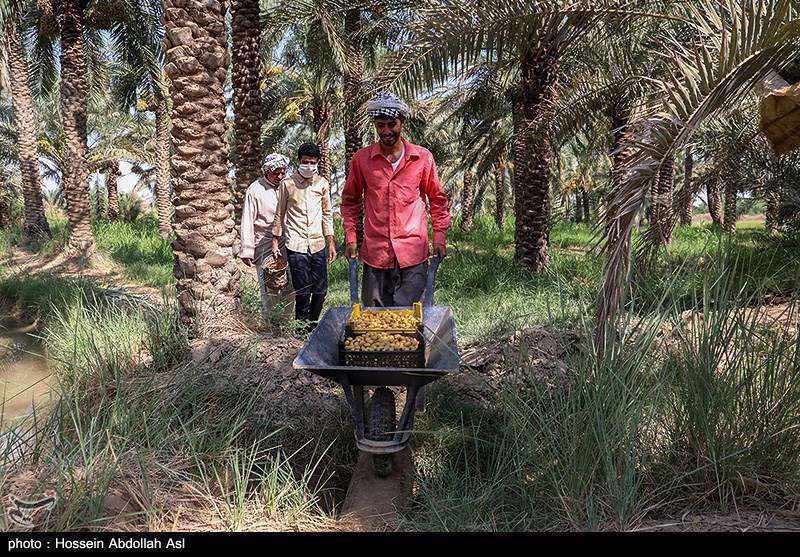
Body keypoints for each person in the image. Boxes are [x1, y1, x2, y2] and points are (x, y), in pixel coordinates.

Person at [340, 92, 451, 307]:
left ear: (403, 122)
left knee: (411, 318)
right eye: (380, 125)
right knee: (374, 317)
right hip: (376, 252)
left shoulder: (422, 158)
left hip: (413, 252)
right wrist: (351, 237)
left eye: (392, 124)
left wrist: (439, 236)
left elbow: (437, 199)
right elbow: (350, 201)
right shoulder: (361, 160)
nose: (386, 131)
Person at [272, 142, 336, 327]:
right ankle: (301, 330)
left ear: (317, 163)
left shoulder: (322, 184)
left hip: (317, 243)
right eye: (306, 162)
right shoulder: (287, 184)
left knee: (321, 289)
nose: (309, 166)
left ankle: (312, 324)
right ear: (299, 161)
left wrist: (330, 241)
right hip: (295, 243)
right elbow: (279, 213)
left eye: (313, 162)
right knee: (303, 289)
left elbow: (327, 213)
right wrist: (275, 241)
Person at [239, 153, 293, 317]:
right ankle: (271, 323)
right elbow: (247, 220)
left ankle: (287, 322)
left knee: (290, 285)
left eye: (282, 172)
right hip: (264, 245)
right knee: (270, 285)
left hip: (288, 243)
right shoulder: (255, 190)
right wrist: (247, 250)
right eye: (276, 172)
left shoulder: (288, 186)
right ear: (267, 171)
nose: (280, 176)